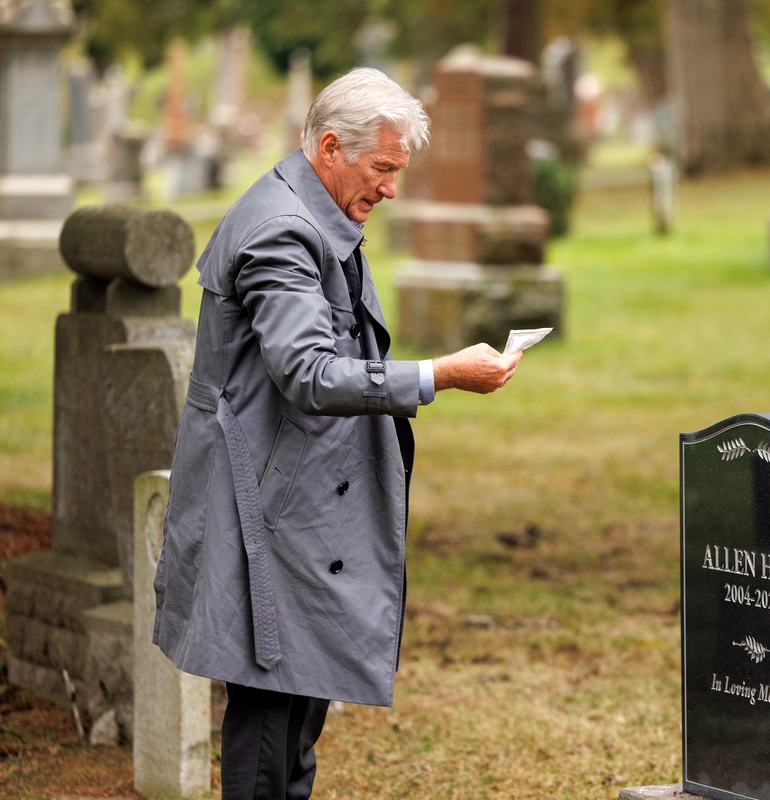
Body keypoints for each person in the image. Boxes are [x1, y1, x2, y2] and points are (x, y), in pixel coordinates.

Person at [152, 68, 522, 799]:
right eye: (382, 168)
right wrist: (439, 374)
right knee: (268, 727)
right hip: (266, 510)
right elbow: (310, 374)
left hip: (300, 505)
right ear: (330, 148)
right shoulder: (282, 230)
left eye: (397, 171)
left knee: (297, 725)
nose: (390, 188)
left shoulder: (320, 211)